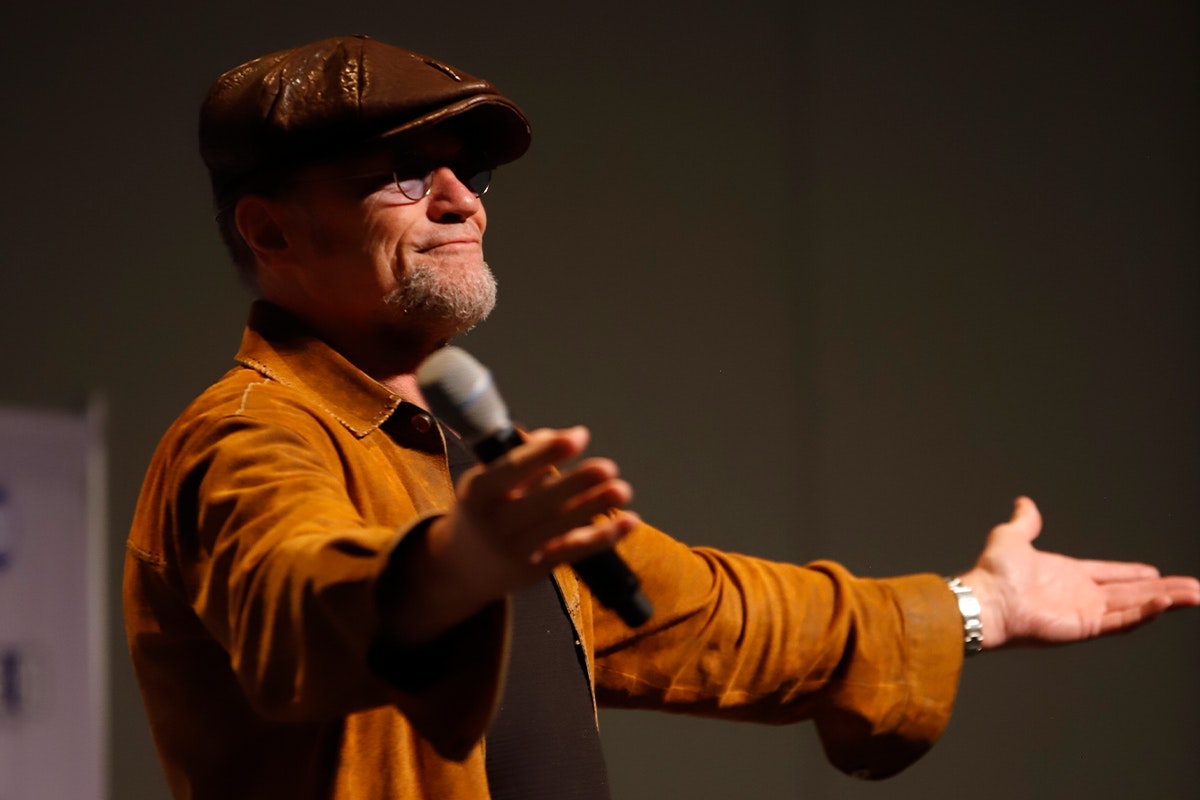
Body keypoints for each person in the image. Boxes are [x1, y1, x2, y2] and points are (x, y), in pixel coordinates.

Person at [123, 34, 1200, 800]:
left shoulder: (472, 465)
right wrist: (453, 563)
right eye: (402, 175)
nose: (463, 199)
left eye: (470, 170)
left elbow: (725, 618)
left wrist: (982, 604)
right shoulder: (247, 434)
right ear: (270, 230)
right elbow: (292, 601)